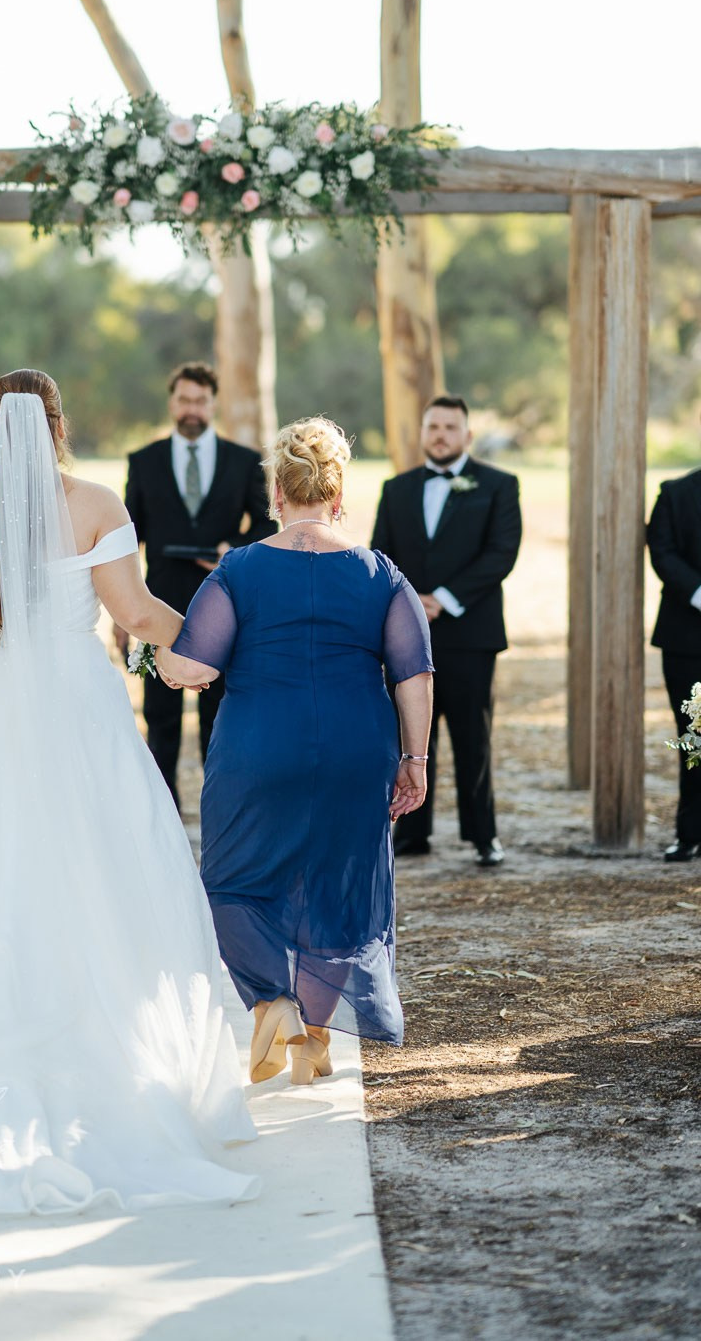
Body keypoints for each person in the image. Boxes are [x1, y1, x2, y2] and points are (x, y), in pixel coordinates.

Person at [0, 369, 259, 1217]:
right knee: (96, 856)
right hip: (76, 697)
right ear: (57, 424)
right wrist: (212, 640)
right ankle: (104, 1048)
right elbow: (136, 613)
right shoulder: (97, 502)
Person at [156, 418, 433, 1085]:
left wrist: (154, 650)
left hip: (259, 746)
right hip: (355, 747)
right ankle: (312, 1037)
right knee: (340, 888)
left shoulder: (241, 569)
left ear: (277, 493)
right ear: (338, 495)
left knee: (232, 882)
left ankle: (270, 1004)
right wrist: (414, 759)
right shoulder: (379, 574)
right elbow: (414, 673)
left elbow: (191, 669)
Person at [371, 395, 521, 868]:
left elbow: (501, 552)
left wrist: (445, 599)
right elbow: (380, 556)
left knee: (473, 736)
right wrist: (411, 605)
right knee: (412, 734)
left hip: (472, 633)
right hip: (407, 635)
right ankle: (412, 833)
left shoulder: (498, 485)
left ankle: (483, 835)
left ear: (467, 435)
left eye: (449, 428)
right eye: (432, 426)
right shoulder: (396, 488)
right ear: (422, 432)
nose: (440, 435)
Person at [119, 362, 275, 810]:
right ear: (172, 402)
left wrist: (235, 547)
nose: (192, 409)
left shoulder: (243, 461)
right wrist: (123, 612)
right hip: (156, 604)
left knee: (220, 714)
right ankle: (162, 811)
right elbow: (129, 538)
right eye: (184, 399)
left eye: (200, 401)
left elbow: (268, 524)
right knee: (160, 716)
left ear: (213, 404)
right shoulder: (143, 461)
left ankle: (222, 807)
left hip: (226, 603)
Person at [647, 467, 701, 861]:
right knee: (694, 737)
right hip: (688, 638)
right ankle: (691, 832)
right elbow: (662, 550)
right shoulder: (675, 492)